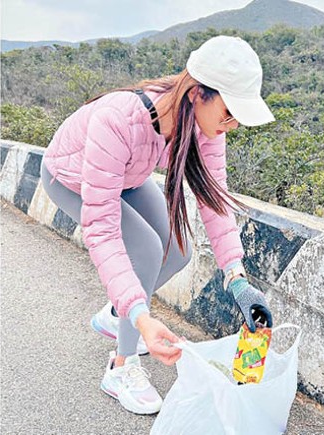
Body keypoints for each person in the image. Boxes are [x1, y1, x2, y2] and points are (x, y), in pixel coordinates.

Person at [40, 35, 275, 415]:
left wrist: (237, 277)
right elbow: (102, 230)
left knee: (179, 248)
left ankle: (115, 316)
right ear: (199, 93)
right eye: (229, 113)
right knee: (146, 249)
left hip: (128, 178)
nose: (231, 125)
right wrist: (141, 313)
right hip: (69, 176)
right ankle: (121, 366)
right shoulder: (118, 119)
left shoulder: (205, 126)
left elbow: (214, 201)